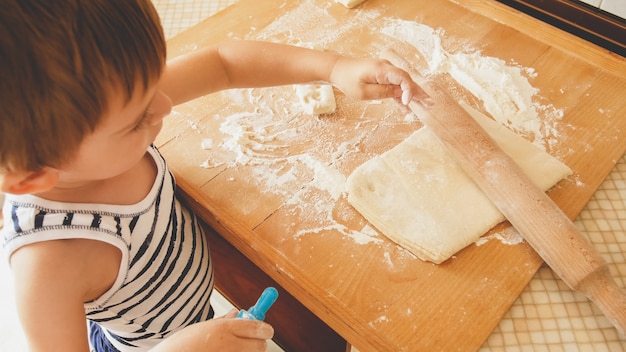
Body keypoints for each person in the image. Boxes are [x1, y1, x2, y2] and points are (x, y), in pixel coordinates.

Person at [0, 1, 431, 351]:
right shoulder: (48, 264)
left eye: (154, 85)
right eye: (135, 122)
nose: (165, 106)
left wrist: (335, 67)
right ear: (32, 178)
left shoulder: (108, 104)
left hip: (195, 316)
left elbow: (223, 63)